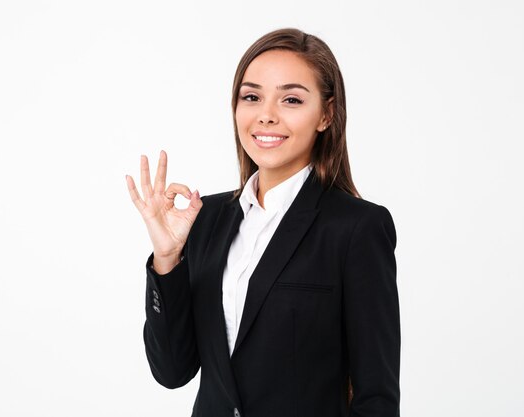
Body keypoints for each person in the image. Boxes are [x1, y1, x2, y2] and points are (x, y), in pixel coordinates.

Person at [126, 27, 400, 417]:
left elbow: (377, 397)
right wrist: (167, 259)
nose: (266, 116)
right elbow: (173, 371)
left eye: (291, 99)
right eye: (251, 97)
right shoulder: (206, 219)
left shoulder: (356, 228)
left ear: (326, 114)